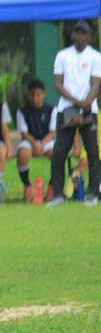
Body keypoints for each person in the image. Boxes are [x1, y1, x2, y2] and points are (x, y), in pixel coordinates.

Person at [48, 20, 101, 206]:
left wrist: (87, 103)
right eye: (77, 32)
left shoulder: (95, 57)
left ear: (88, 36)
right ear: (72, 35)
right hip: (67, 109)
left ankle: (93, 195)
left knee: (93, 153)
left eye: (83, 33)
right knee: (59, 153)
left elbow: (96, 83)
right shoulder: (63, 56)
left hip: (89, 109)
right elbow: (57, 84)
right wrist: (77, 102)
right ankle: (57, 196)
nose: (80, 36)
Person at [15, 78, 56, 202]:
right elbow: (24, 133)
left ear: (43, 95)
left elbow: (52, 132)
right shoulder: (21, 111)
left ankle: (52, 187)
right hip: (30, 141)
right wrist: (35, 144)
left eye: (38, 95)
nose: (35, 98)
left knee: (57, 156)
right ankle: (27, 185)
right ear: (28, 94)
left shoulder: (51, 110)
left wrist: (41, 145)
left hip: (46, 141)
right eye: (32, 94)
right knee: (22, 154)